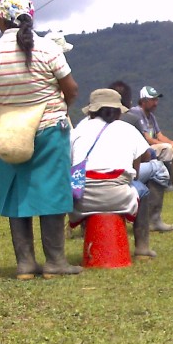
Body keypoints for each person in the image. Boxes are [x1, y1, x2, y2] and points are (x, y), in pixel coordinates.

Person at [0, 0, 81, 278]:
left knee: (16, 193)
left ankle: (25, 264)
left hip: (12, 129)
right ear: (30, 16)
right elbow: (71, 89)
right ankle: (55, 262)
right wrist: (57, 109)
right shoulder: (48, 49)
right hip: (50, 126)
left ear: (2, 20)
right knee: (52, 191)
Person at [69, 89, 157, 259]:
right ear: (118, 110)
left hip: (82, 200)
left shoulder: (79, 129)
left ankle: (91, 242)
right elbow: (138, 171)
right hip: (119, 197)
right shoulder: (127, 129)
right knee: (143, 191)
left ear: (92, 110)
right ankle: (142, 248)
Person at [111, 81, 173, 232]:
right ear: (129, 102)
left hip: (86, 184)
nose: (156, 102)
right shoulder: (131, 119)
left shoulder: (86, 123)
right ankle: (153, 220)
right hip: (117, 177)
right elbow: (144, 154)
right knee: (158, 168)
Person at [126, 86, 173, 191]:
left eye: (156, 100)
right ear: (143, 101)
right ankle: (167, 184)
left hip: (152, 145)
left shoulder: (151, 116)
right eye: (153, 100)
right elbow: (146, 138)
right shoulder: (136, 112)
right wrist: (169, 145)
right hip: (144, 148)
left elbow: (159, 135)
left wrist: (172, 142)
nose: (156, 103)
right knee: (167, 148)